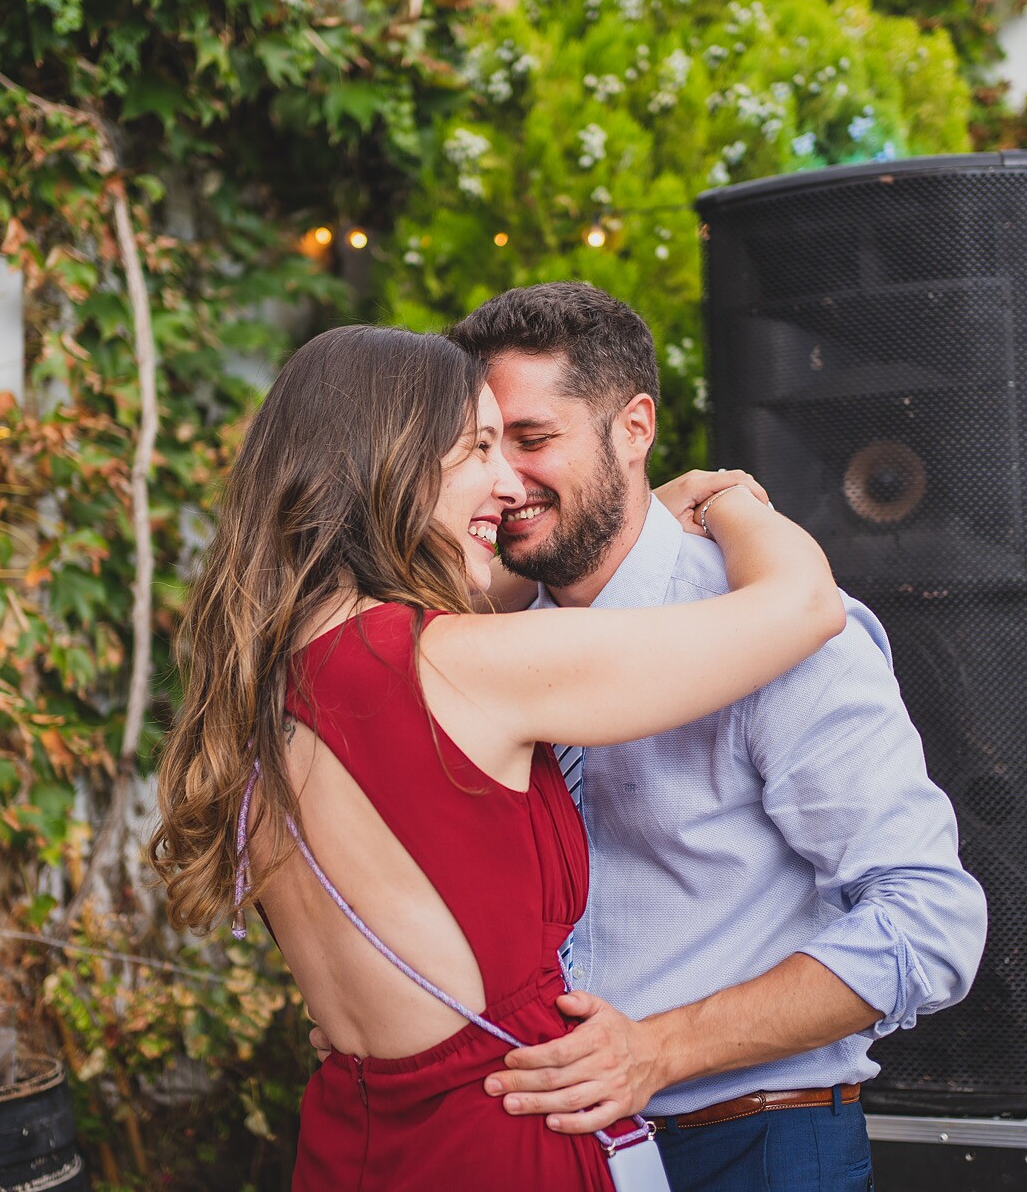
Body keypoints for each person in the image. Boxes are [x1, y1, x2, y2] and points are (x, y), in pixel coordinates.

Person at [152, 324, 846, 1191]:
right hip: (506, 1135)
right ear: (392, 459)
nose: (509, 481)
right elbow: (805, 604)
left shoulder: (268, 679)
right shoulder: (460, 664)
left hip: (353, 1142)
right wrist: (731, 501)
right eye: (480, 446)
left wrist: (642, 511)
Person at [448, 282, 989, 1192]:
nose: (505, 478)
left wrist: (657, 1050)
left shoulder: (772, 626)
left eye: (533, 439)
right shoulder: (486, 637)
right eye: (484, 447)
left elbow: (929, 922)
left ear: (634, 427)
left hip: (752, 1145)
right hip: (542, 1147)